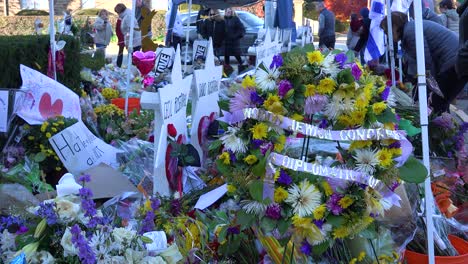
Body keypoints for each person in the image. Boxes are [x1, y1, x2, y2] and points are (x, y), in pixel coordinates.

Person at [381, 11, 462, 113]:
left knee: (437, 102)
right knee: (439, 101)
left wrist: (427, 87)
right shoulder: (410, 29)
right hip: (454, 59)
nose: (387, 36)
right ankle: (443, 125)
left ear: (394, 27)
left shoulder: (411, 32)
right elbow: (420, 63)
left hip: (454, 60)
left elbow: (425, 63)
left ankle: (441, 126)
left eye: (386, 32)